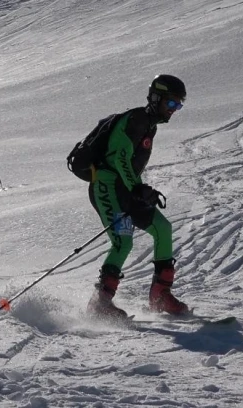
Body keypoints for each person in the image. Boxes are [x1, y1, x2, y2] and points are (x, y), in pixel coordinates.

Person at [86, 74, 189, 320]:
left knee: (162, 228)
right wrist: (138, 188)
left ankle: (160, 296)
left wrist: (138, 188)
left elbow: (130, 165)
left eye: (179, 105)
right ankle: (100, 304)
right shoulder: (137, 119)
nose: (174, 110)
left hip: (126, 189)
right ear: (156, 98)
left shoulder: (149, 125)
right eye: (171, 103)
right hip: (107, 186)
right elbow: (120, 157)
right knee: (123, 240)